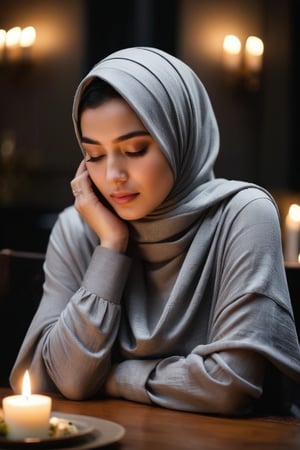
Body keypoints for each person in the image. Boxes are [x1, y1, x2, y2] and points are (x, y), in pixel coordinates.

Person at [10, 47, 300, 415]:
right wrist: (111, 247)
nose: (113, 175)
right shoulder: (79, 227)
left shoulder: (242, 214)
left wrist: (112, 377)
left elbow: (230, 384)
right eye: (94, 156)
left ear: (179, 135)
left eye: (135, 149)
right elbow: (70, 379)